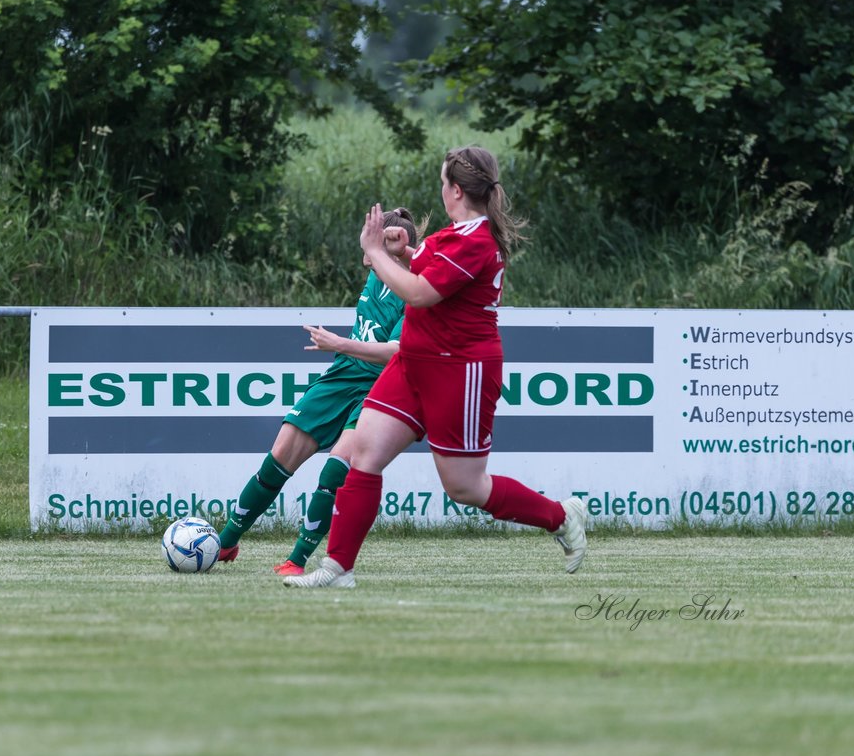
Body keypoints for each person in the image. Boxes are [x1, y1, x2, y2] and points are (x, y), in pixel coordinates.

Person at [285, 146, 588, 589]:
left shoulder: (475, 240)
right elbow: (424, 268)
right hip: (414, 363)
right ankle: (337, 569)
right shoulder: (454, 235)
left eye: (444, 183)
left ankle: (561, 516)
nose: (441, 190)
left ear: (457, 190)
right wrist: (405, 251)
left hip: (460, 372)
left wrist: (377, 252)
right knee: (362, 456)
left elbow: (420, 293)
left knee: (464, 487)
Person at [217, 207, 423, 574]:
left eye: (373, 242)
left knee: (335, 470)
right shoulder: (376, 274)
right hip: (343, 375)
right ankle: (226, 542)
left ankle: (297, 560)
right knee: (280, 455)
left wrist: (339, 343)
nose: (364, 252)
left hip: (381, 387)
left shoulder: (416, 293)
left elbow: (395, 354)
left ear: (394, 248)